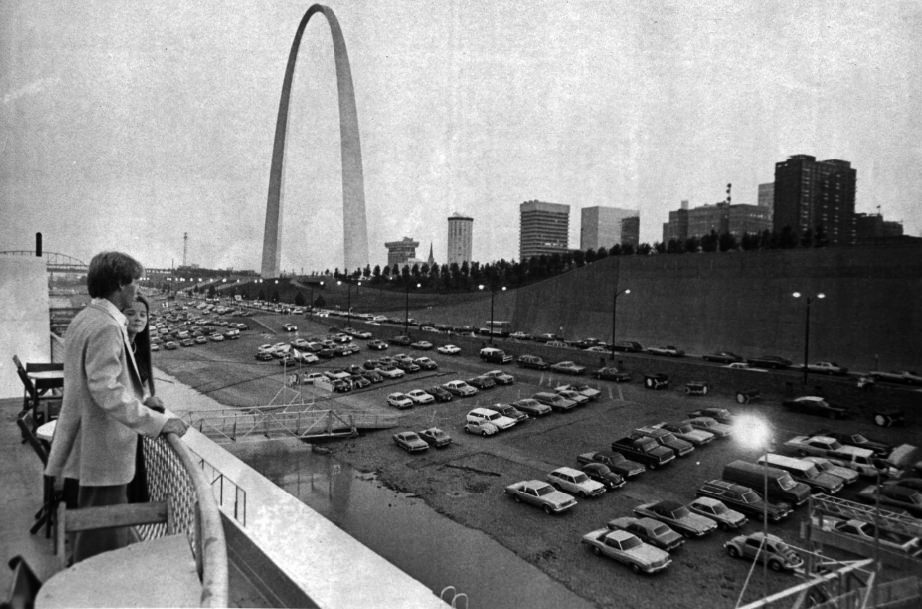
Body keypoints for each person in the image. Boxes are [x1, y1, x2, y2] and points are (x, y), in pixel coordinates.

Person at [45, 251, 188, 562]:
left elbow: (97, 383)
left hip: (90, 447)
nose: (138, 291)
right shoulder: (107, 326)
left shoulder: (85, 318)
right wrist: (158, 422)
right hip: (104, 450)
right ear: (121, 284)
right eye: (135, 283)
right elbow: (106, 390)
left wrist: (140, 400)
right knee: (104, 538)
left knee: (96, 526)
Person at [123, 294, 162, 503]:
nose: (138, 318)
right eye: (130, 313)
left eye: (143, 314)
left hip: (133, 428)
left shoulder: (138, 348)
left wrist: (146, 398)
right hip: (123, 428)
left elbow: (139, 387)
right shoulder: (119, 346)